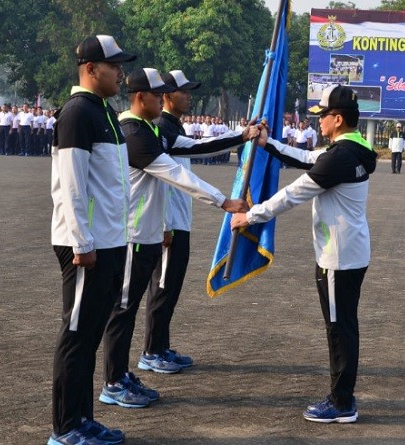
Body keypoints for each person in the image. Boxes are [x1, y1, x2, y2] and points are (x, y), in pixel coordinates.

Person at [98, 68, 249, 409]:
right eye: (158, 95)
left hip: (147, 233)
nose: (163, 100)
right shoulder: (133, 133)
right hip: (133, 235)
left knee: (130, 307)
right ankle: (114, 381)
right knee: (123, 309)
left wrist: (242, 135)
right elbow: (175, 174)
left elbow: (193, 150)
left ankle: (121, 374)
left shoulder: (149, 130)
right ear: (142, 98)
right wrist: (222, 200)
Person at [232, 85, 377, 423]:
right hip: (349, 252)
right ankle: (343, 396)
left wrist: (250, 216)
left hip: (338, 258)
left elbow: (293, 193)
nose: (318, 121)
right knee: (343, 325)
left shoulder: (340, 157)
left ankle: (342, 402)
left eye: (323, 115)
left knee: (339, 329)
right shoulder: (355, 149)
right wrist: (269, 144)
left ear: (337, 119)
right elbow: (308, 159)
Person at [141, 69, 259, 376]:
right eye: (183, 91)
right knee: (162, 287)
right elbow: (167, 176)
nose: (188, 96)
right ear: (167, 96)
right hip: (168, 223)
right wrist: (165, 223)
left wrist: (241, 135)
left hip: (179, 219)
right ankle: (151, 351)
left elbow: (200, 146)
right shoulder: (161, 128)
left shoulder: (171, 127)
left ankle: (161, 345)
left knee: (171, 286)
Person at [48, 34, 135, 445]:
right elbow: (72, 185)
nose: (120, 73)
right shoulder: (77, 113)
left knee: (90, 337)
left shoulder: (104, 112)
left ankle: (83, 419)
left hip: (109, 241)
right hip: (86, 246)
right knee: (77, 336)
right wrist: (82, 242)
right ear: (90, 69)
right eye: (113, 65)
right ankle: (65, 428)